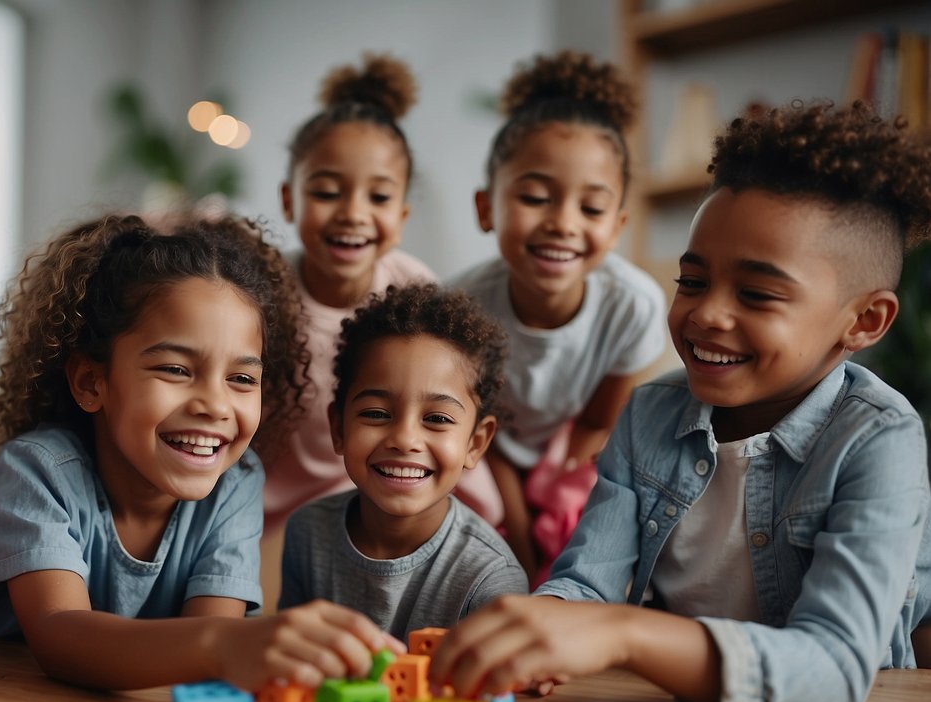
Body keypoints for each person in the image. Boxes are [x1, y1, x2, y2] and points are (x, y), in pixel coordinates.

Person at [429, 100, 931, 702]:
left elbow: (833, 673)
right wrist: (542, 624)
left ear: (865, 321)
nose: (706, 314)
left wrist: (624, 634)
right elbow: (589, 582)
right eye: (692, 282)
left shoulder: (879, 439)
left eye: (756, 294)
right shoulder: (648, 414)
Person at [0, 213, 401, 692]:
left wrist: (240, 649)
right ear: (91, 381)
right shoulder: (39, 468)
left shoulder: (236, 482)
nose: (214, 405)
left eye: (242, 379)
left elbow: (210, 652)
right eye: (176, 369)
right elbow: (61, 636)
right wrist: (225, 645)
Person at [263, 53, 502, 545]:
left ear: (403, 212)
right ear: (289, 199)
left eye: (378, 197)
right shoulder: (262, 291)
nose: (353, 213)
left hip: (385, 488)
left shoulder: (413, 289)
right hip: (273, 510)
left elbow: (448, 401)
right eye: (328, 192)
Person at [453, 51, 667, 582]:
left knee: (598, 508)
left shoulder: (632, 305)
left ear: (616, 226)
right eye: (535, 197)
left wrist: (557, 499)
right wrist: (522, 541)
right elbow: (472, 434)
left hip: (571, 452)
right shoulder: (458, 308)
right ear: (487, 208)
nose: (563, 224)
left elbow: (597, 424)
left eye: (591, 209)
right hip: (479, 454)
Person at [279, 284, 529, 643]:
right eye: (377, 413)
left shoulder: (491, 577)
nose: (405, 439)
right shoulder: (307, 532)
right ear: (339, 428)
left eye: (438, 419)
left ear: (475, 443)